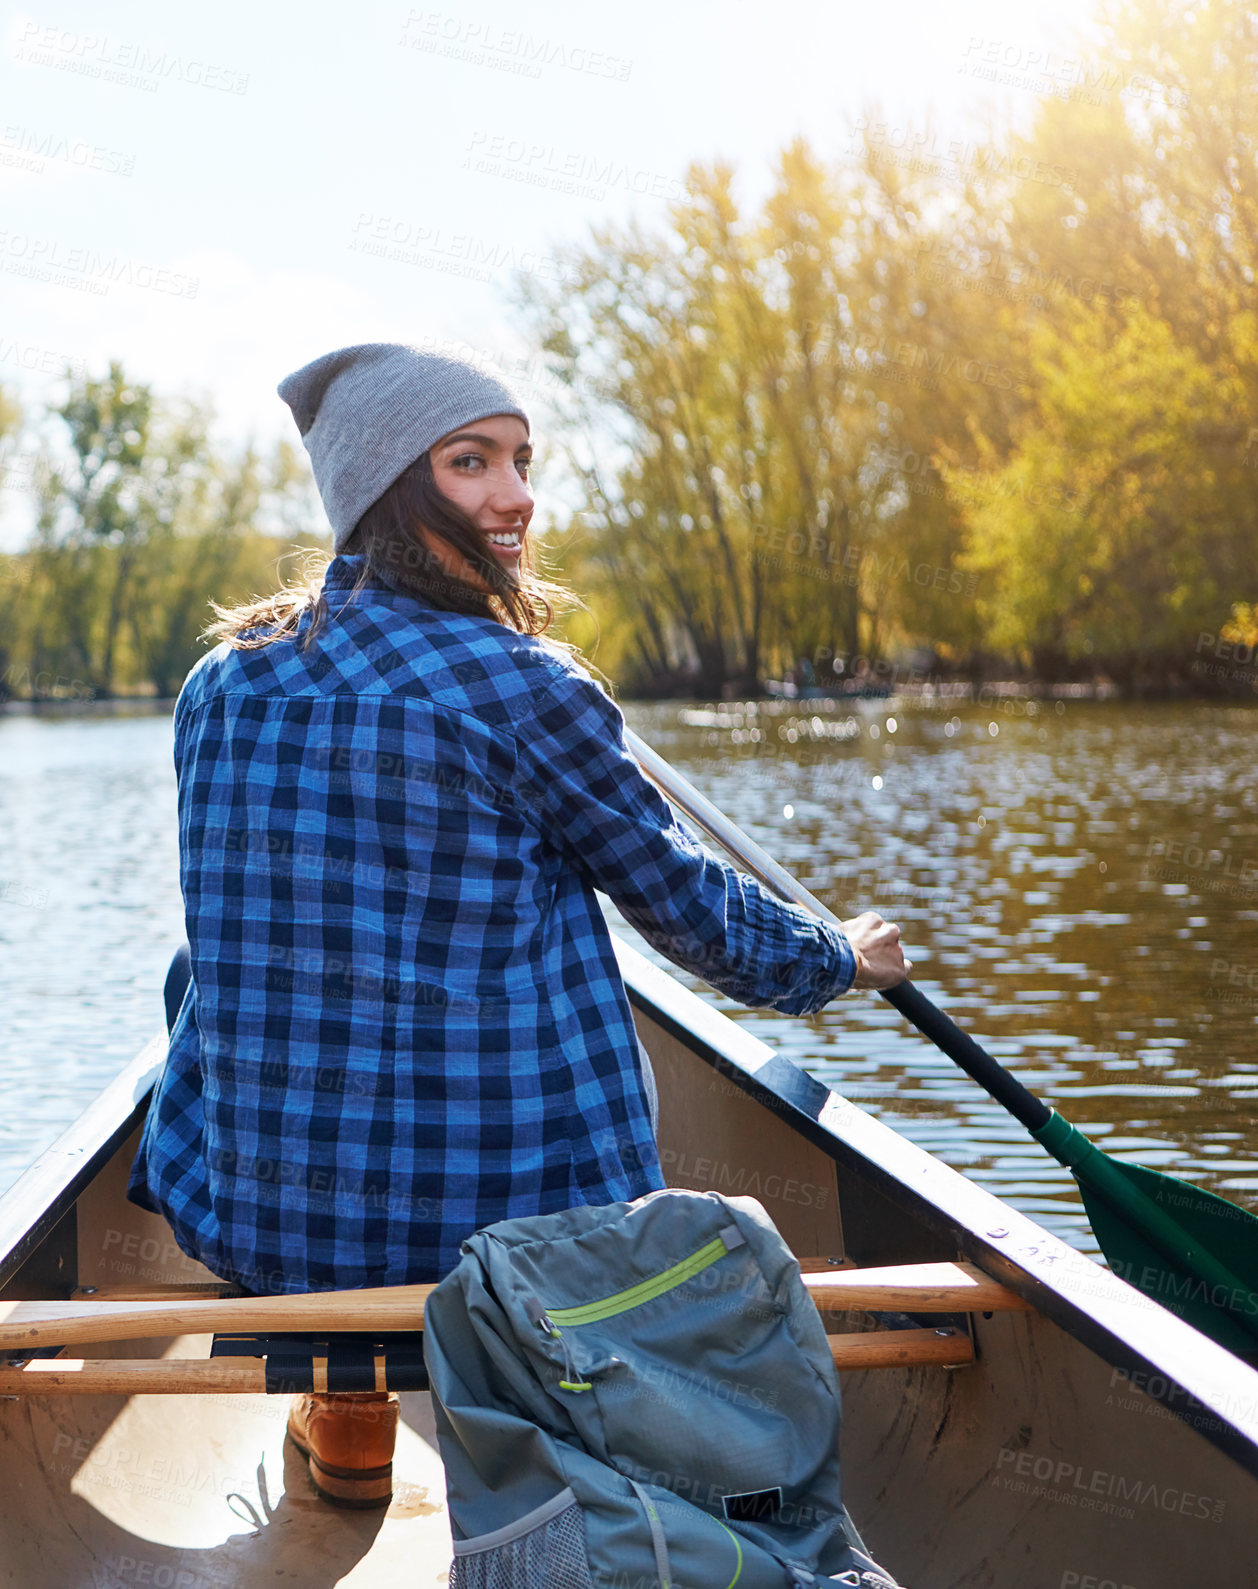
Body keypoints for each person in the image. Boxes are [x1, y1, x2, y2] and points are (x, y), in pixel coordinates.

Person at [128, 341, 911, 1506]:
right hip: (507, 1241)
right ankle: (564, 1401)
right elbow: (699, 924)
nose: (516, 494)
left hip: (266, 1227)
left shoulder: (219, 683)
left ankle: (345, 1413)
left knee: (206, 966)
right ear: (387, 487)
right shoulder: (528, 687)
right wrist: (834, 957)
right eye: (471, 461)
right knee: (598, 994)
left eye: (520, 460)